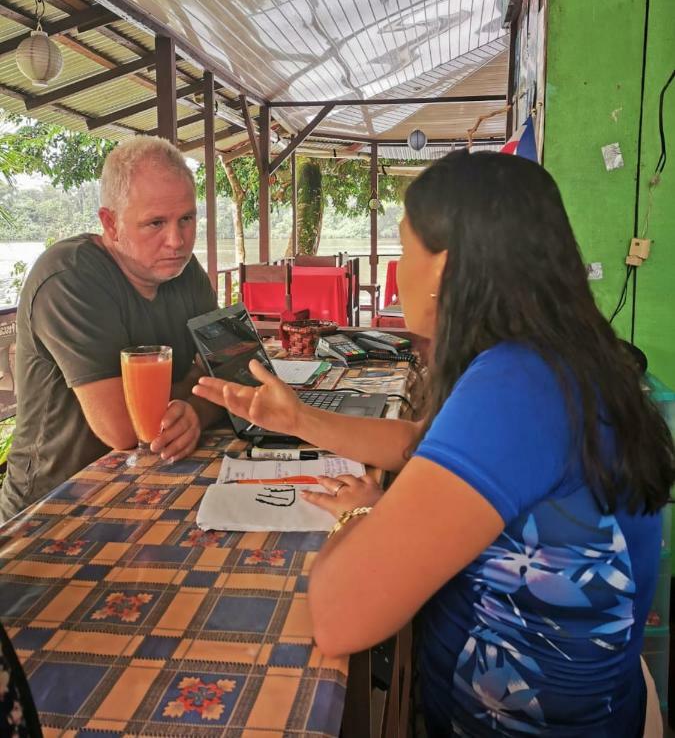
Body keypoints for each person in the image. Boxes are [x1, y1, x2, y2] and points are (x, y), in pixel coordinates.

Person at [193, 150, 675, 737]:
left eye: (403, 247)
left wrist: (365, 514)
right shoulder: (555, 363)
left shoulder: (516, 388)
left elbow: (340, 617)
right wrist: (299, 418)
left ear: (444, 270)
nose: (397, 271)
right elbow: (420, 442)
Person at [0, 137, 220, 524]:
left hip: (145, 488)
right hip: (52, 507)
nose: (177, 240)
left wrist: (196, 411)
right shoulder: (70, 277)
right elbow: (127, 429)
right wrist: (199, 392)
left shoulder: (185, 272)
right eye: (155, 223)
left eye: (186, 219)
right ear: (110, 224)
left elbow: (234, 367)